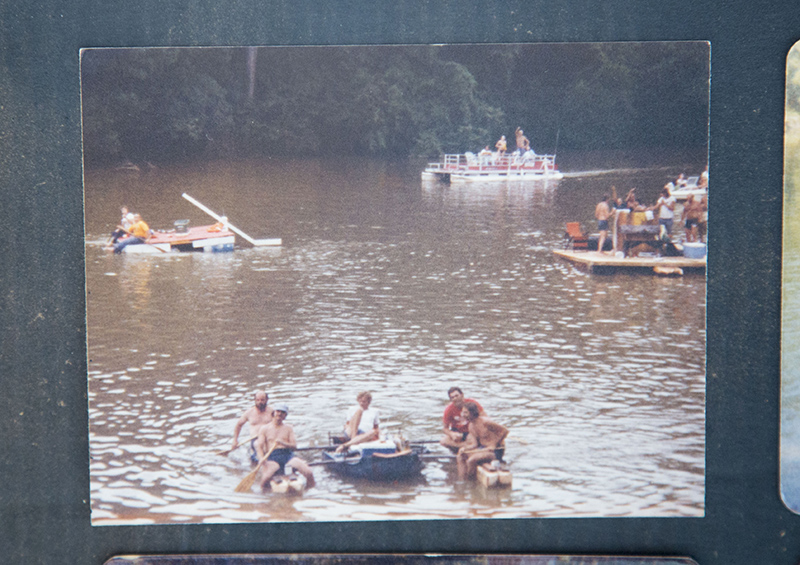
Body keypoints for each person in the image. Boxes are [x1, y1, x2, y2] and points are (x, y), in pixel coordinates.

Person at [254, 404, 315, 490]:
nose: (279, 414)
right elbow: (259, 446)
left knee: (309, 472)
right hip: (272, 457)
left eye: (282, 412)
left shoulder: (288, 428)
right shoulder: (264, 429)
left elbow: (294, 446)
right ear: (273, 413)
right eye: (278, 411)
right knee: (265, 478)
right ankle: (264, 496)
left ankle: (310, 490)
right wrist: (261, 458)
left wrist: (283, 443)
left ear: (285, 416)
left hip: (287, 455)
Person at [456, 401, 509, 480]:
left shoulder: (485, 422)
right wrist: (465, 449)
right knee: (460, 456)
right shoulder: (471, 426)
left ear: (472, 413)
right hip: (483, 449)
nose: (463, 415)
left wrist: (494, 444)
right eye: (463, 413)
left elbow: (504, 431)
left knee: (471, 460)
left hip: (495, 451)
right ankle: (462, 479)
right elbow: (474, 444)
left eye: (466, 413)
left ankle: (471, 482)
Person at [232, 391, 273, 464]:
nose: (260, 402)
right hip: (255, 440)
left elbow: (279, 424)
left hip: (269, 439)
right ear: (255, 400)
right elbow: (238, 425)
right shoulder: (249, 412)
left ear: (267, 400)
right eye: (257, 400)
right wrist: (235, 440)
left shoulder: (272, 412)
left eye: (262, 400)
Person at [440, 387, 485, 452]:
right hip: (458, 431)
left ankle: (469, 446)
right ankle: (467, 447)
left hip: (471, 430)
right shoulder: (448, 409)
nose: (455, 398)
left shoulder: (472, 403)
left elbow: (484, 417)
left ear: (462, 395)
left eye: (456, 396)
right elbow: (445, 428)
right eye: (452, 397)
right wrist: (452, 434)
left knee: (471, 438)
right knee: (443, 441)